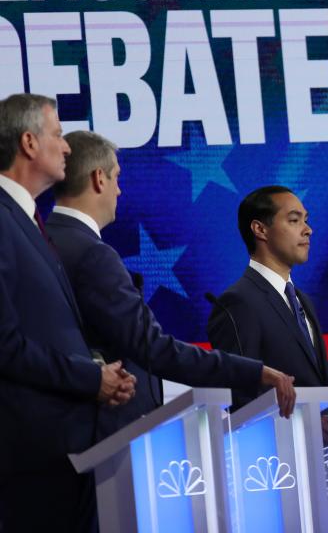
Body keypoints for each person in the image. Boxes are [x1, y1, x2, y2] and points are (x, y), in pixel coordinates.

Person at [46, 130, 297, 439]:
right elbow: (153, 348)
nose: (119, 192)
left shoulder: (42, 241)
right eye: (117, 178)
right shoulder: (92, 255)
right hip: (104, 437)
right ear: (99, 179)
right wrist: (254, 371)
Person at [0, 93, 135, 532]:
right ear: (28, 143)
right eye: (57, 135)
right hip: (33, 461)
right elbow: (6, 344)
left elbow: (44, 330)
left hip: (66, 455)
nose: (67, 146)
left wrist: (95, 370)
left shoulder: (28, 221)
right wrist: (90, 378)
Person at [208, 186, 328, 421]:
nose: (308, 230)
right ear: (260, 229)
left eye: (306, 220)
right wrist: (305, 424)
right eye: (295, 220)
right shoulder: (238, 302)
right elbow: (240, 399)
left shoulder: (302, 299)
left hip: (322, 452)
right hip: (277, 454)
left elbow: (315, 390)